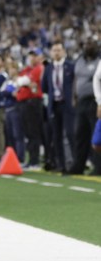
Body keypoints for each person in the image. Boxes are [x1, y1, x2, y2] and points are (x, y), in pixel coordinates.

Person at [67, 40, 101, 175]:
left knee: (96, 136)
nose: (88, 46)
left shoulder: (99, 60)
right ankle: (78, 166)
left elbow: (97, 79)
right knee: (79, 134)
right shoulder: (79, 60)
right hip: (81, 102)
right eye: (86, 44)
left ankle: (98, 167)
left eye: (91, 44)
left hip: (95, 102)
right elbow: (76, 79)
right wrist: (74, 96)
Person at [41, 42, 75, 173]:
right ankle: (61, 165)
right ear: (51, 52)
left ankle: (75, 163)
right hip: (54, 105)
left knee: (71, 134)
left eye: (59, 50)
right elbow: (44, 87)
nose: (56, 53)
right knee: (56, 136)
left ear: (64, 52)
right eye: (54, 50)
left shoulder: (70, 66)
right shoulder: (49, 68)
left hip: (67, 105)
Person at [16, 48, 46, 170]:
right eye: (31, 55)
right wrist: (25, 82)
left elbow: (26, 80)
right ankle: (31, 160)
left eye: (35, 55)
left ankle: (35, 161)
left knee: (34, 133)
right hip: (24, 103)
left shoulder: (39, 68)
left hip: (33, 103)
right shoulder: (27, 69)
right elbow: (18, 81)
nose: (32, 58)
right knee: (28, 133)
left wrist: (24, 82)